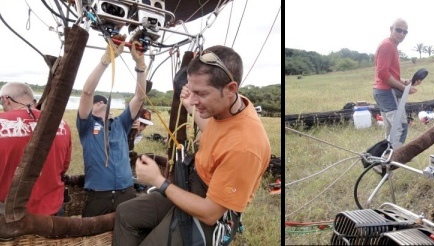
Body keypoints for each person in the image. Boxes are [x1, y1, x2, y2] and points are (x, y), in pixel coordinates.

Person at [113, 45, 271, 245]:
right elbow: (216, 132)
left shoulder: (246, 146)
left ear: (231, 89)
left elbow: (210, 213)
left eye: (201, 93)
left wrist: (159, 181)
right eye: (191, 90)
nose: (194, 100)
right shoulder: (229, 108)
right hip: (190, 184)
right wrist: (190, 105)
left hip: (209, 208)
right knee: (126, 213)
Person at [76, 33, 148, 217]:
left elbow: (140, 97)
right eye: (96, 102)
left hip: (127, 192)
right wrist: (106, 60)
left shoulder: (121, 124)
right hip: (99, 195)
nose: (100, 102)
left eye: (102, 101)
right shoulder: (86, 126)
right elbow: (86, 91)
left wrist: (140, 66)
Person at [0, 82, 71, 216]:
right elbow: (63, 166)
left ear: (6, 100)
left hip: (9, 214)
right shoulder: (61, 124)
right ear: (34, 101)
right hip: (52, 211)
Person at [372, 18, 423, 149]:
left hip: (382, 92)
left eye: (405, 32)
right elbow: (382, 74)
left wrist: (406, 82)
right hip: (386, 91)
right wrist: (404, 88)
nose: (401, 34)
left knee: (391, 130)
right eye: (398, 30)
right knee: (400, 128)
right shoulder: (387, 45)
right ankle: (394, 159)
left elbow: (390, 74)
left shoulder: (391, 46)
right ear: (391, 29)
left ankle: (384, 159)